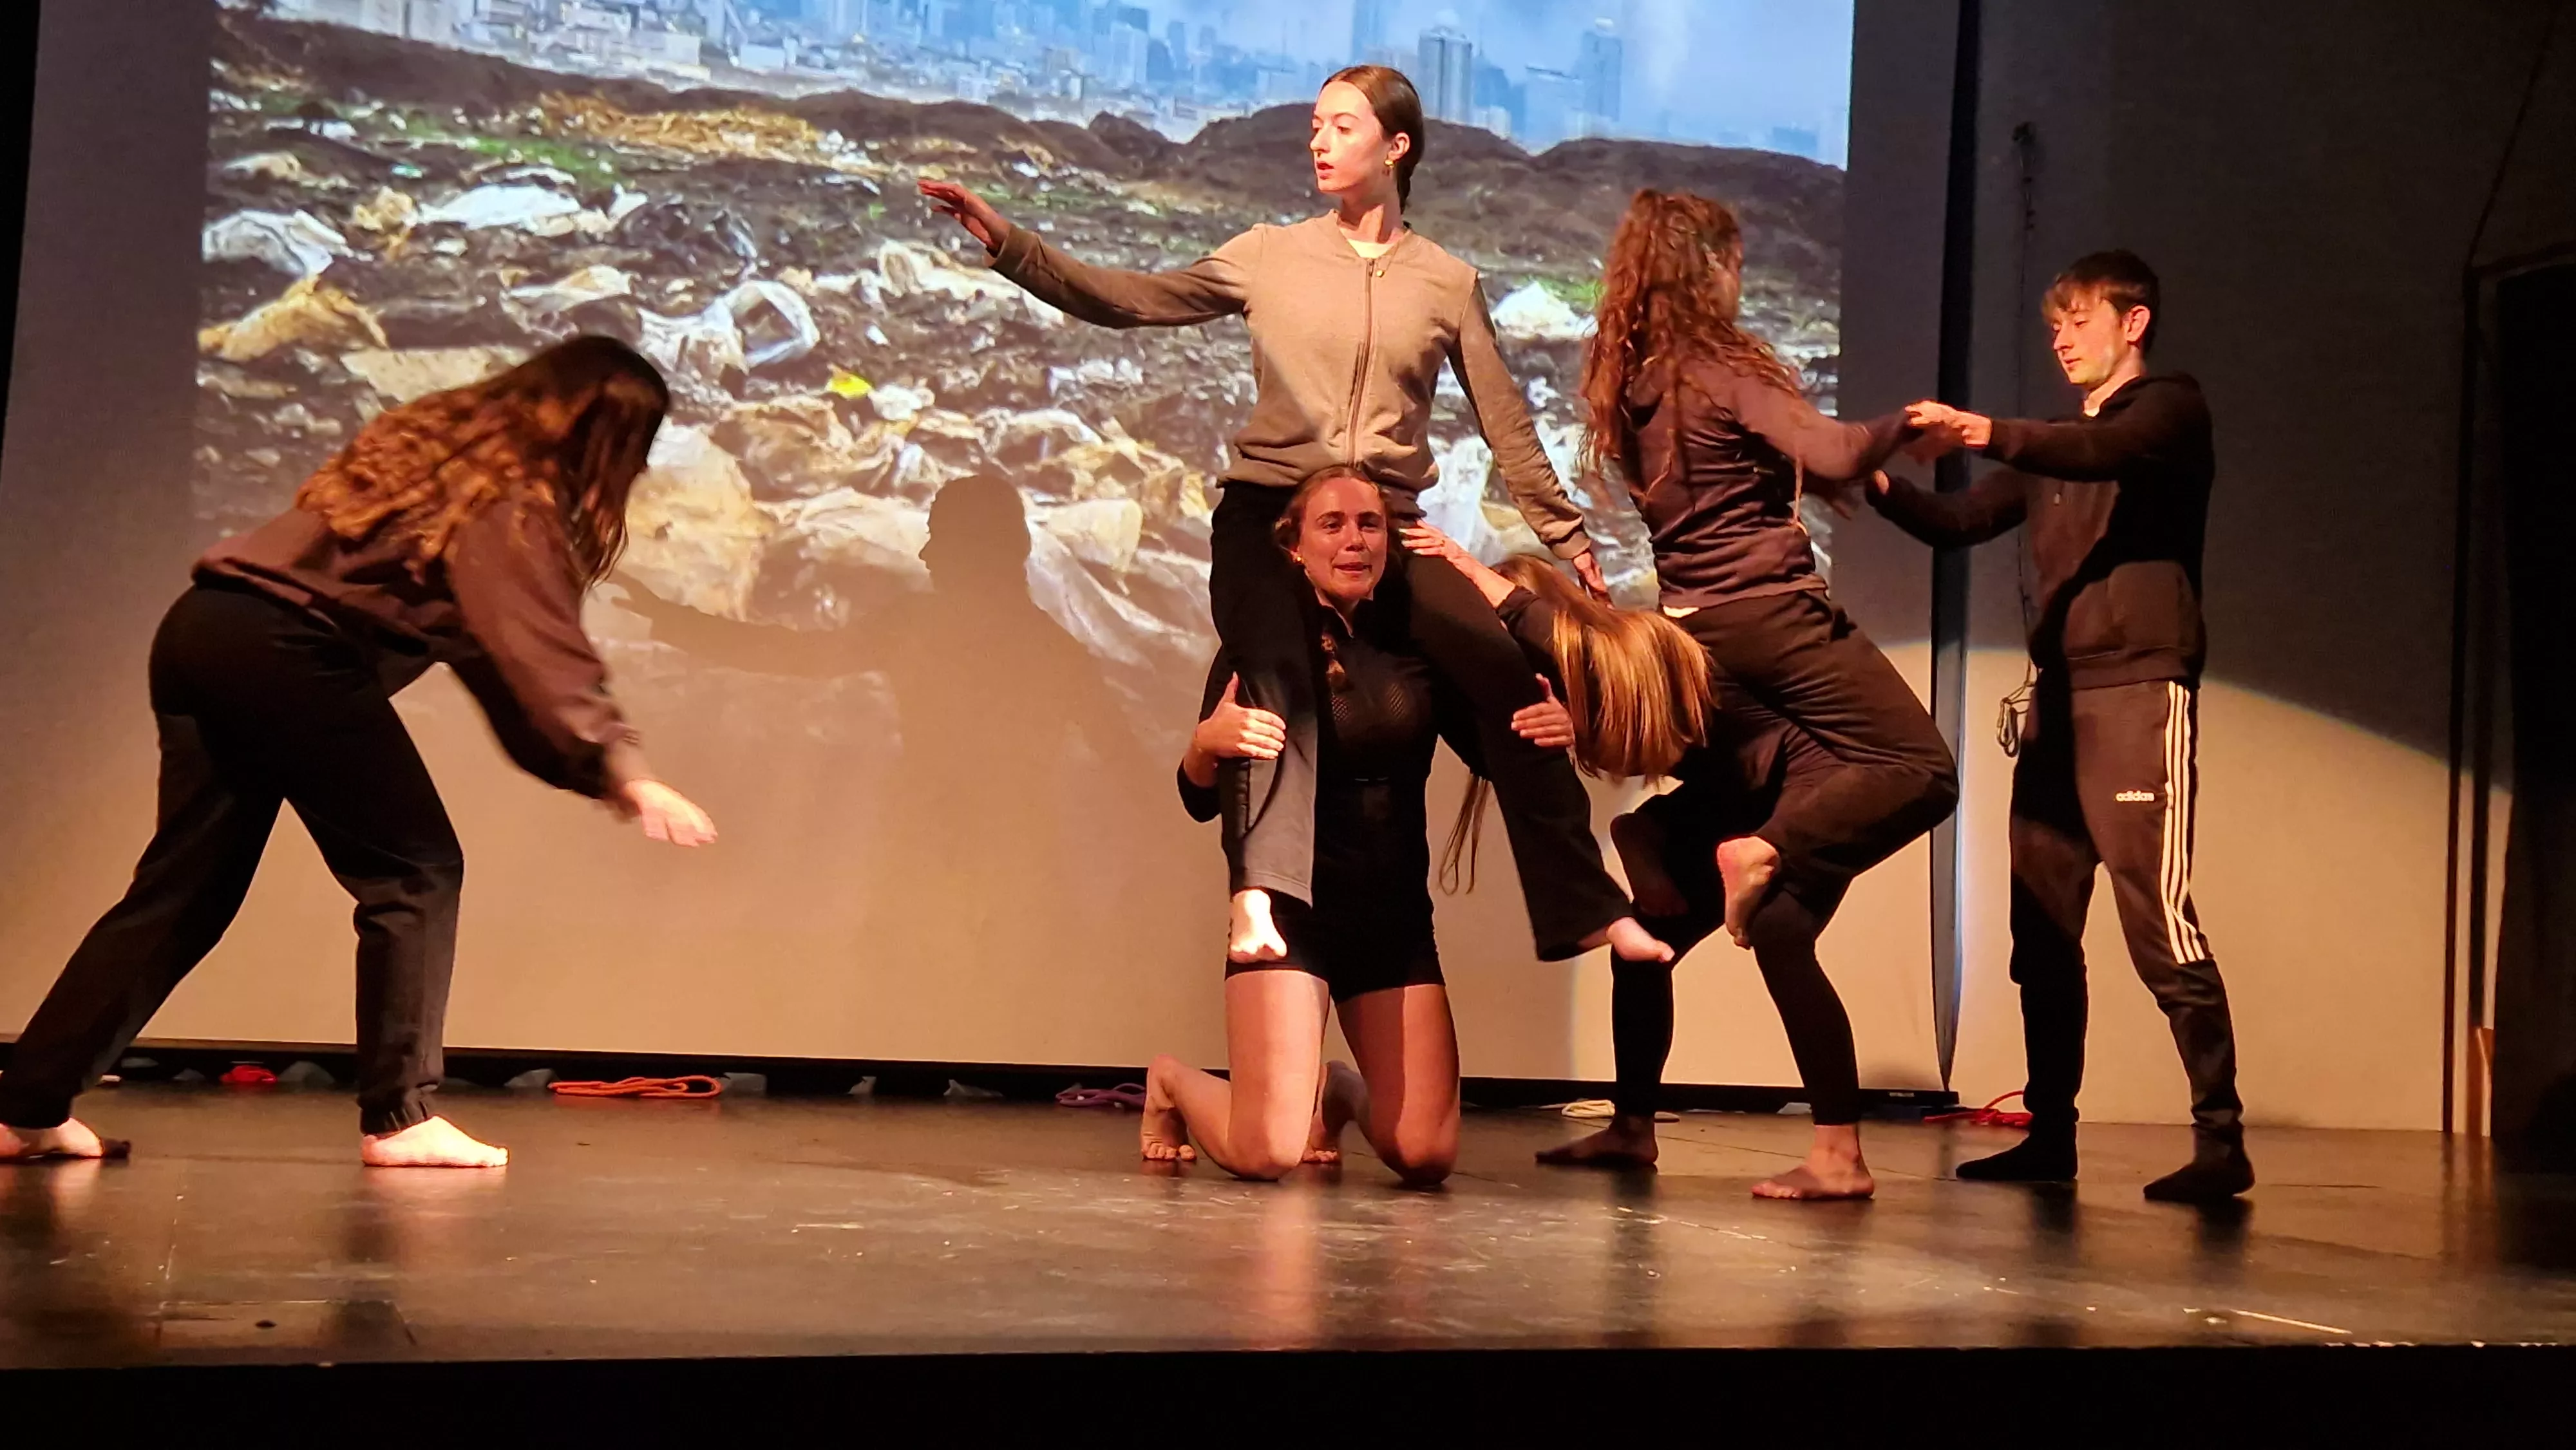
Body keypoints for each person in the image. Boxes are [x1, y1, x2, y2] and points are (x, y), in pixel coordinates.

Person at [920, 64, 1667, 976]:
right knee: (1278, 683)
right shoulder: (1268, 254)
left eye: (1341, 126)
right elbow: (1131, 299)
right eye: (1315, 124)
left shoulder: (1447, 282)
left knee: (1506, 677)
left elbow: (1506, 426)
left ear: (1395, 147)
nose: (1318, 141)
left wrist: (1571, 541)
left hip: (1379, 524)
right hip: (1272, 517)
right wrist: (1011, 245)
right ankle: (1258, 894)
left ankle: (1588, 907)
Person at [0, 337, 717, 1170]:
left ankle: (26, 1107)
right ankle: (401, 1115)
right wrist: (622, 769)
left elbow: (494, 658)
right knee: (414, 871)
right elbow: (535, 651)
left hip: (205, 628)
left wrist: (589, 763)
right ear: (606, 438)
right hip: (290, 652)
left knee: (185, 891)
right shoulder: (509, 502)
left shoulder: (430, 463)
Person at [1496, 189, 1960, 1196]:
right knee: (1925, 769)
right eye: (1733, 262)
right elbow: (1835, 451)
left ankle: (1660, 1123)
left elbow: (1819, 483)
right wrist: (1902, 424)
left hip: (1702, 645)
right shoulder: (1720, 367)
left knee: (1722, 930)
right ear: (1709, 269)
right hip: (1773, 621)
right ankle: (1756, 845)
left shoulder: (1641, 383)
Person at [1879, 250, 2251, 1203]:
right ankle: (2051, 1134)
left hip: (2137, 693)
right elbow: (1957, 524)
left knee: (2156, 920)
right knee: (2040, 930)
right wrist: (1866, 484)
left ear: (2134, 324)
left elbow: (2099, 452)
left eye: (2080, 319)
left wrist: (1981, 427)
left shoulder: (2169, 412)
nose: (2061, 336)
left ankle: (2220, 1139)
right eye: (2056, 323)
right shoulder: (2056, 448)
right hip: (2058, 702)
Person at [1412, 528, 1891, 1200]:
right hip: (1729, 798)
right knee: (1641, 946)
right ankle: (1632, 1128)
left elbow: (1652, 722)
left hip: (1804, 783)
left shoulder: (1635, 641)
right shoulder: (1559, 678)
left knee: (1782, 932)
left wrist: (1576, 725)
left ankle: (1840, 1152)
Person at [1141, 468, 1571, 1186]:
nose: (1353, 540)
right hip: (1290, 913)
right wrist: (1203, 746)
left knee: (1425, 1155)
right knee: (1267, 1152)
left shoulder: (1420, 641)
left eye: (1369, 523)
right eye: (1332, 524)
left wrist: (1554, 727)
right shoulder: (1266, 648)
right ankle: (1172, 1083)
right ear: (1294, 546)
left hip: (1391, 916)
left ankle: (1336, 1088)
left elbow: (1499, 751)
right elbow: (1197, 798)